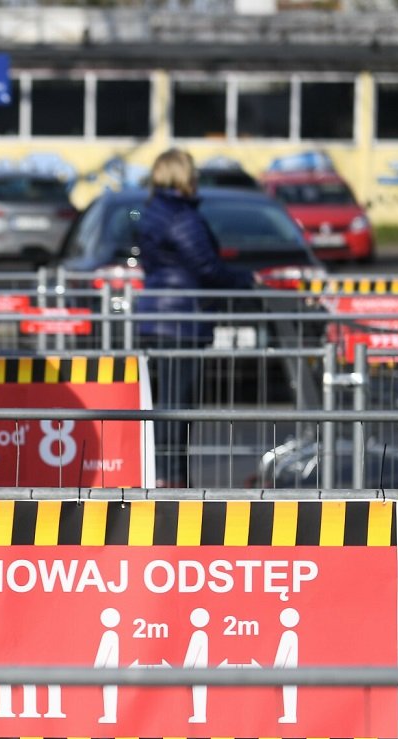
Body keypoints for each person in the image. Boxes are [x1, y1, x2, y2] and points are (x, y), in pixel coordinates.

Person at [135, 148, 256, 487]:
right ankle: (171, 480)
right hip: (182, 320)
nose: (197, 180)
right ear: (182, 176)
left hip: (156, 316)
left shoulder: (153, 212)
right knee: (179, 406)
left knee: (165, 404)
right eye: (193, 174)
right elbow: (206, 266)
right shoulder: (181, 216)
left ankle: (164, 475)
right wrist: (244, 280)